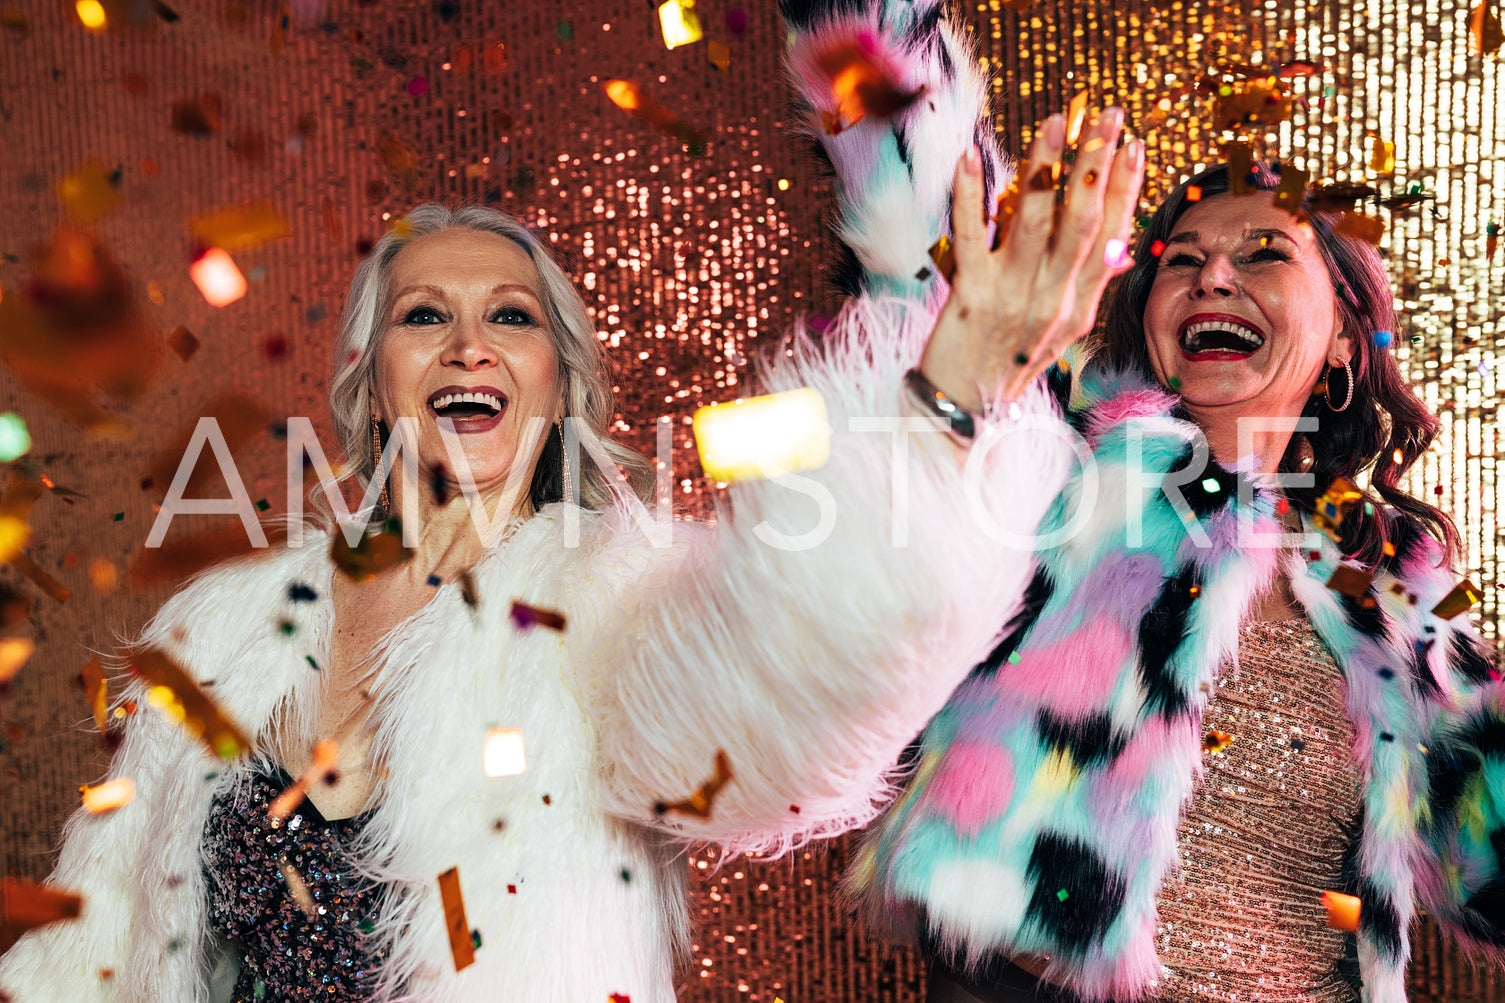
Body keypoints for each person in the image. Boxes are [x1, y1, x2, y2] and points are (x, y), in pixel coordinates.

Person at [0, 14, 1143, 1003]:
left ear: (558, 384)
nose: (464, 345)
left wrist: (949, 393)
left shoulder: (593, 604)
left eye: (509, 318)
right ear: (369, 378)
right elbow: (89, 953)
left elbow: (782, 678)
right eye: (421, 317)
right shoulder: (215, 632)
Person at [785, 3, 1505, 1001]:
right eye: (1180, 257)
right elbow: (943, 251)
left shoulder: (1394, 585)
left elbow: (1489, 856)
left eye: (1260, 253)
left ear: (1344, 339)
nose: (1211, 272)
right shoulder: (1061, 463)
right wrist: (869, 27)